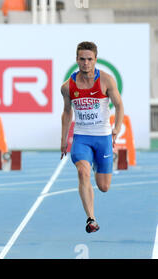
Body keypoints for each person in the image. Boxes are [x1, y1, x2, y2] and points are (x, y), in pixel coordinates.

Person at [60, 41, 124, 233]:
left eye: (89, 59)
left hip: (103, 138)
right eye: (82, 59)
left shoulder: (106, 80)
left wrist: (117, 128)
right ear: (76, 59)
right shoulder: (67, 86)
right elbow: (66, 112)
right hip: (82, 137)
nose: (86, 63)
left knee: (104, 187)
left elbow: (119, 106)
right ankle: (91, 219)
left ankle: (97, 161)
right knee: (82, 172)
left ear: (95, 60)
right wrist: (64, 139)